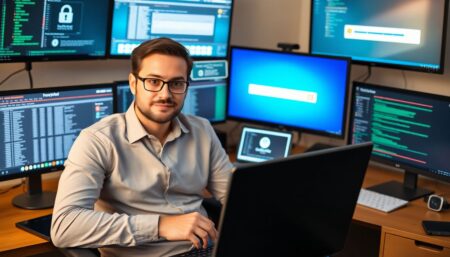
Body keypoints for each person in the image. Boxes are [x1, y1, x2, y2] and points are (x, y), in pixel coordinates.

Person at [51, 38, 233, 257]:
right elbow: (65, 226)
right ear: (133, 83)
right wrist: (160, 225)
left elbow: (236, 195)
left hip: (206, 250)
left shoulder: (202, 130)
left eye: (176, 83)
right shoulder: (98, 140)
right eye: (154, 82)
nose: (165, 94)